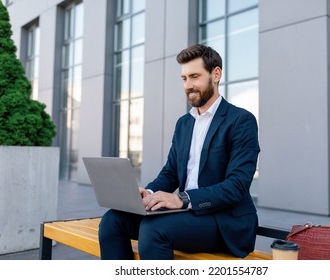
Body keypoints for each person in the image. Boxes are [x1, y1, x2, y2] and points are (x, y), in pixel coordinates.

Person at [98, 44, 260, 260]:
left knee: (154, 230)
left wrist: (183, 199)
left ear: (216, 74)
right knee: (111, 221)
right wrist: (148, 194)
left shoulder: (241, 121)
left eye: (194, 76)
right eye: (184, 78)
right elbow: (171, 173)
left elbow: (237, 186)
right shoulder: (184, 124)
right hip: (187, 214)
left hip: (224, 221)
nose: (188, 85)